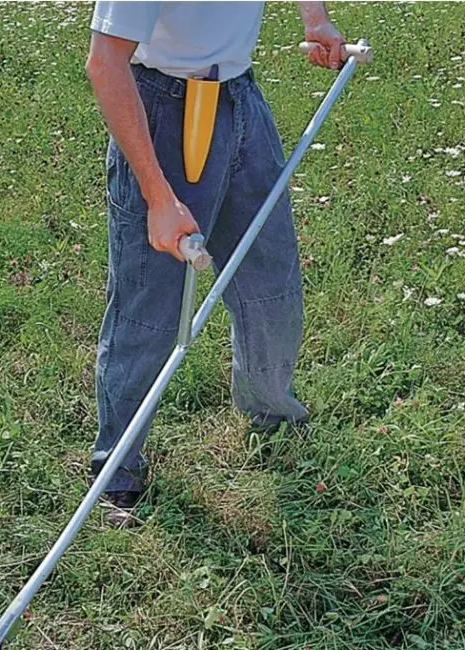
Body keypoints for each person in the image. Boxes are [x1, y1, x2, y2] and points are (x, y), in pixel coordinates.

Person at [86, 2, 346, 524]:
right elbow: (105, 63)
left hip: (240, 101)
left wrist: (314, 18)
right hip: (163, 109)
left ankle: (272, 416)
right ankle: (117, 467)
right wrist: (159, 198)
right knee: (150, 305)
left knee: (270, 282)